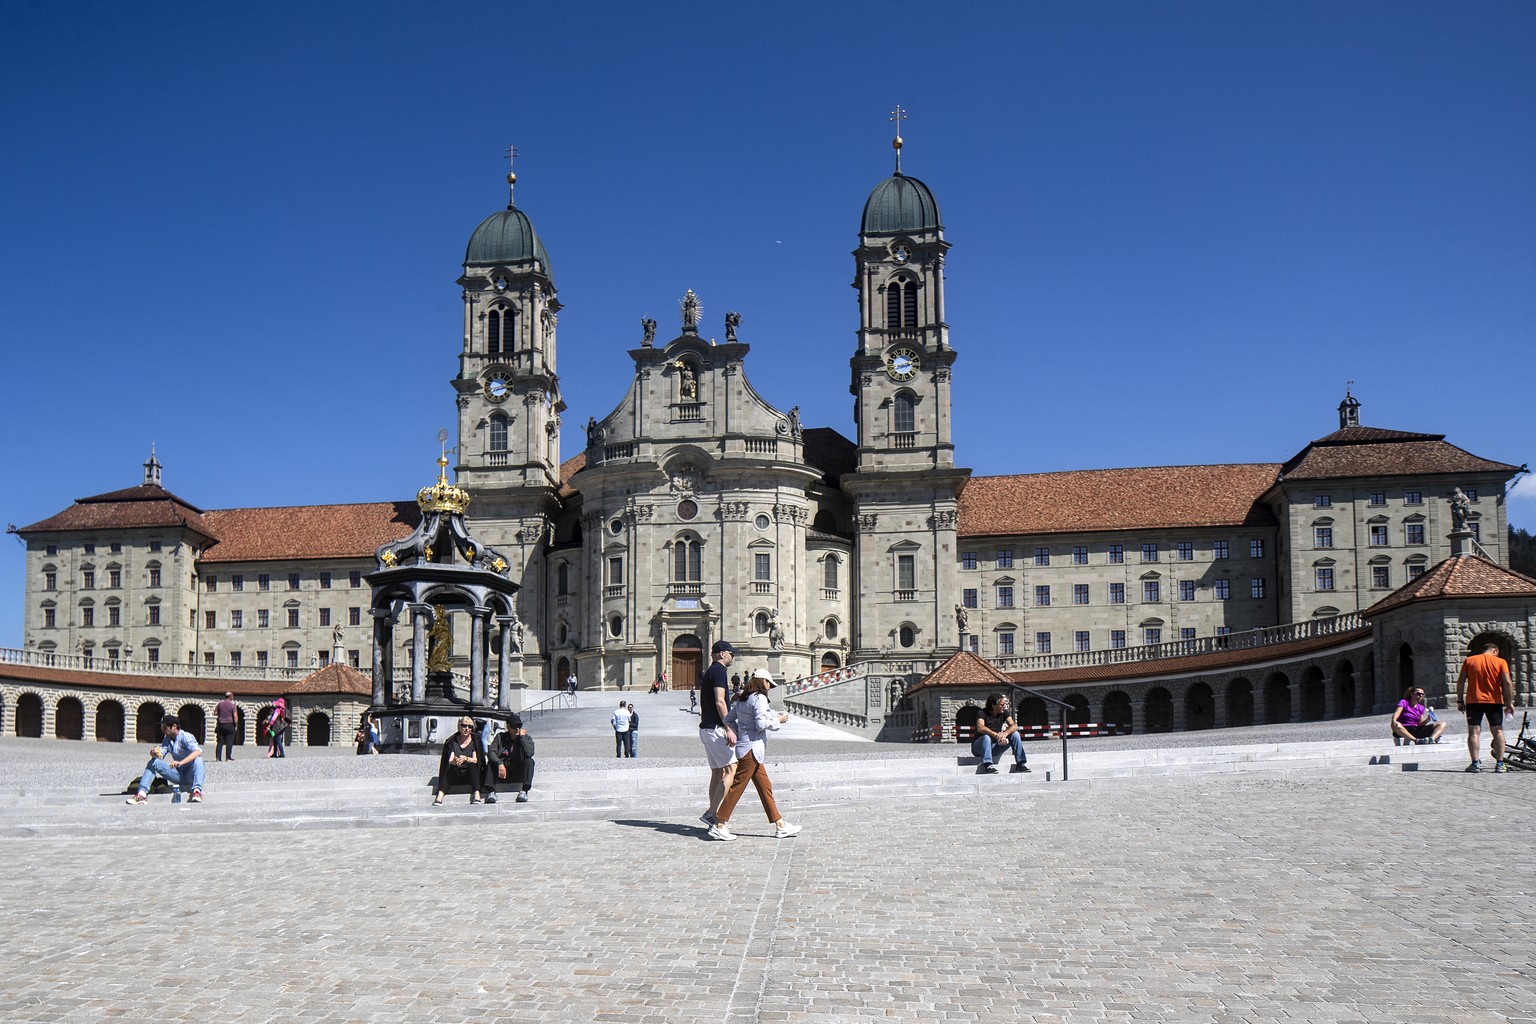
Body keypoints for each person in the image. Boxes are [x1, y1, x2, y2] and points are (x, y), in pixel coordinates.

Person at [712, 668, 801, 841]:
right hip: (751, 750)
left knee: (765, 786)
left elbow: (729, 719)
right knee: (738, 787)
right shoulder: (759, 698)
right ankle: (720, 824)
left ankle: (780, 824)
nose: (769, 687)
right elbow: (760, 723)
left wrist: (740, 732)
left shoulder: (744, 698)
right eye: (769, 683)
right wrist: (779, 720)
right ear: (763, 682)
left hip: (748, 749)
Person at [697, 640, 739, 830]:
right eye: (731, 653)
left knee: (717, 772)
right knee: (732, 770)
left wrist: (732, 700)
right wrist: (729, 727)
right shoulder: (720, 671)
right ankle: (712, 813)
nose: (733, 657)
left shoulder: (709, 672)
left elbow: (720, 701)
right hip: (716, 729)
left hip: (706, 728)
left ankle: (712, 812)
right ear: (723, 654)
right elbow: (719, 702)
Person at [1456, 642, 1516, 773]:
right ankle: (1500, 764)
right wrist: (1510, 702)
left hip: (1473, 700)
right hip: (1494, 701)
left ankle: (1475, 764)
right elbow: (1507, 682)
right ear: (1494, 650)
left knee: (1473, 732)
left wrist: (1460, 700)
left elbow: (1461, 681)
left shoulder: (1469, 660)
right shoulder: (1500, 662)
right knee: (1498, 731)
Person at [126, 714, 205, 804]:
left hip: (190, 774)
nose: (162, 730)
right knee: (154, 762)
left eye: (165, 727)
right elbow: (161, 755)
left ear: (174, 726)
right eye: (161, 727)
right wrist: (154, 753)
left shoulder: (186, 736)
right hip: (178, 774)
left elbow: (198, 751)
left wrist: (181, 762)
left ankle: (197, 791)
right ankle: (142, 794)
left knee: (199, 760)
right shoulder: (167, 739)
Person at [972, 693, 1030, 774]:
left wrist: (1004, 734)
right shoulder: (982, 713)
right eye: (1001, 705)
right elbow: (980, 727)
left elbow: (1014, 726)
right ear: (993, 706)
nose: (1004, 707)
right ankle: (988, 765)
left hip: (995, 746)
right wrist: (996, 735)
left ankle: (1021, 763)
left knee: (1015, 734)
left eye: (1004, 704)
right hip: (979, 748)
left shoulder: (1004, 712)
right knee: (986, 737)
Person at [433, 716, 486, 805]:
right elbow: (449, 760)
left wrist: (466, 758)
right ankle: (440, 796)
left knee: (472, 765)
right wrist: (456, 761)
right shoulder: (452, 741)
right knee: (450, 768)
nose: (466, 729)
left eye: (469, 727)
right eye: (464, 726)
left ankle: (477, 795)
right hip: (456, 772)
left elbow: (476, 760)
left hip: (471, 774)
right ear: (459, 726)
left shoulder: (475, 740)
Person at [486, 714, 535, 803]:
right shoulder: (500, 737)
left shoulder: (526, 738)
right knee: (491, 762)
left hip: (518, 771)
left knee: (530, 761)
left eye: (519, 726)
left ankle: (524, 791)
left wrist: (522, 738)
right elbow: (491, 752)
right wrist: (499, 763)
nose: (517, 729)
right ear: (508, 727)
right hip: (503, 772)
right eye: (514, 726)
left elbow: (529, 753)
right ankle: (491, 792)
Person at [214, 691, 238, 762]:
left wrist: (221, 714)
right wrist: (236, 725)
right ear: (231, 697)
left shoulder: (220, 704)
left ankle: (218, 757)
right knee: (229, 741)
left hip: (221, 724)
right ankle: (228, 757)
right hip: (230, 724)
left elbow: (215, 713)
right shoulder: (232, 705)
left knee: (220, 742)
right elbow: (235, 716)